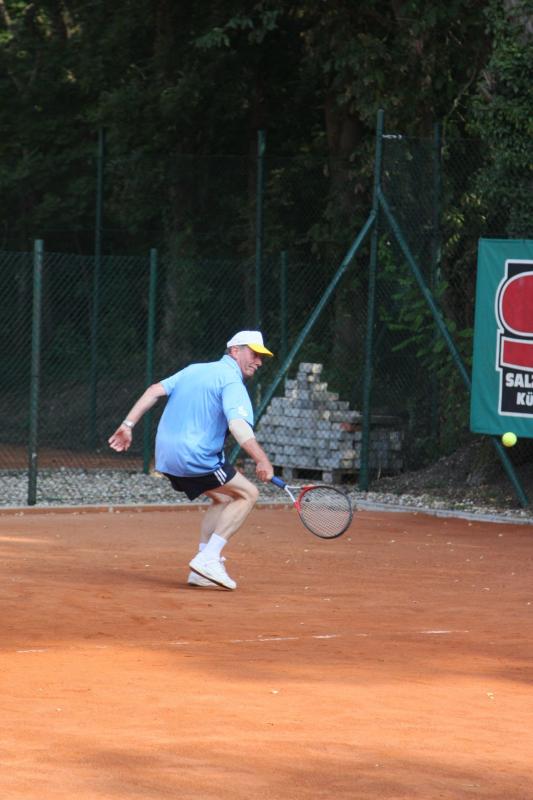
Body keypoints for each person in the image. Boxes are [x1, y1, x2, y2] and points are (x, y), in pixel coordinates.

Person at [108, 330, 274, 591]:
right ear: (235, 351)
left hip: (165, 458)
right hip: (196, 456)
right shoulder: (232, 381)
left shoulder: (193, 370)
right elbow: (238, 426)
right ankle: (209, 558)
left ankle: (201, 570)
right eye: (254, 354)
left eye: (261, 357)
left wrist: (127, 425)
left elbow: (153, 391)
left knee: (222, 498)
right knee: (249, 494)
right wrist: (261, 459)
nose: (259, 361)